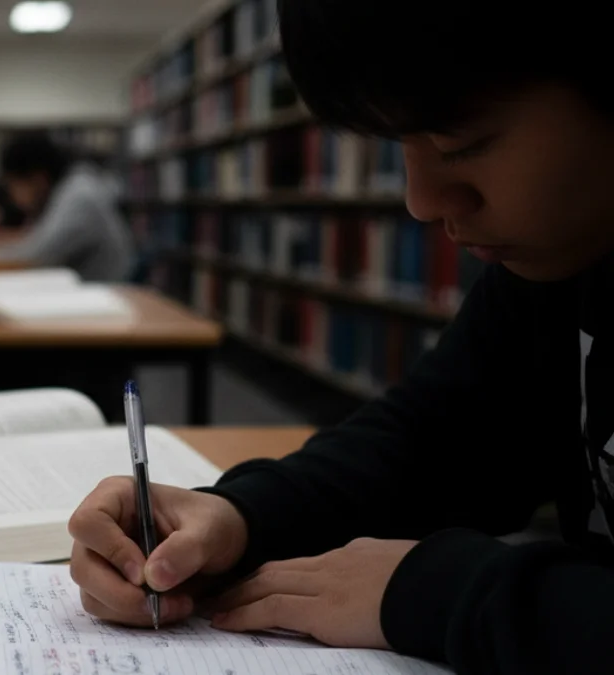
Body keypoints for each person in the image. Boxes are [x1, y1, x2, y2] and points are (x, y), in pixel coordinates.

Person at [67, 1, 614, 673]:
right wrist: (237, 517)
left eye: (461, 144)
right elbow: (433, 442)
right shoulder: (555, 264)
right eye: (398, 147)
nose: (421, 200)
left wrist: (437, 590)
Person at [0, 132, 134, 282]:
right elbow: (36, 244)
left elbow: (38, 256)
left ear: (38, 180)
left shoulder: (79, 197)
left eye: (13, 186)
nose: (13, 196)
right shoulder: (68, 189)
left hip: (108, 293)